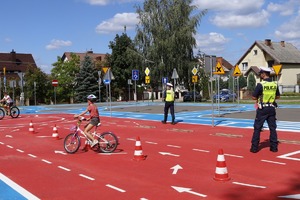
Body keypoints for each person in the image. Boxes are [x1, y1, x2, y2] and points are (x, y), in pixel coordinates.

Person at [250, 67, 280, 153]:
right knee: (272, 128)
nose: (260, 75)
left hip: (262, 108)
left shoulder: (261, 84)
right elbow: (278, 96)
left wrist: (260, 97)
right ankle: (274, 148)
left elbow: (253, 97)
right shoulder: (274, 84)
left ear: (264, 74)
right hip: (271, 108)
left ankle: (254, 148)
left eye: (260, 73)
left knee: (257, 128)